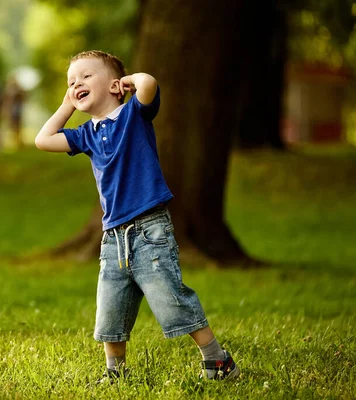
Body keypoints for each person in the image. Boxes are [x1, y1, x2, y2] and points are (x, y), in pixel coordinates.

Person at [35, 50, 240, 383]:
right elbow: (42, 140)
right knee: (110, 308)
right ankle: (115, 372)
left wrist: (130, 82)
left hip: (150, 229)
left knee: (171, 300)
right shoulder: (86, 134)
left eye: (87, 76)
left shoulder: (134, 115)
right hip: (113, 237)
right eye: (72, 81)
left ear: (115, 86)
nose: (77, 84)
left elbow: (149, 85)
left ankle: (218, 361)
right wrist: (67, 105)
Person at [2, 74, 26, 148]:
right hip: (13, 110)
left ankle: (18, 141)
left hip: (16, 109)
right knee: (13, 125)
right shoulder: (10, 89)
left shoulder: (17, 89)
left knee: (17, 125)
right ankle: (15, 141)